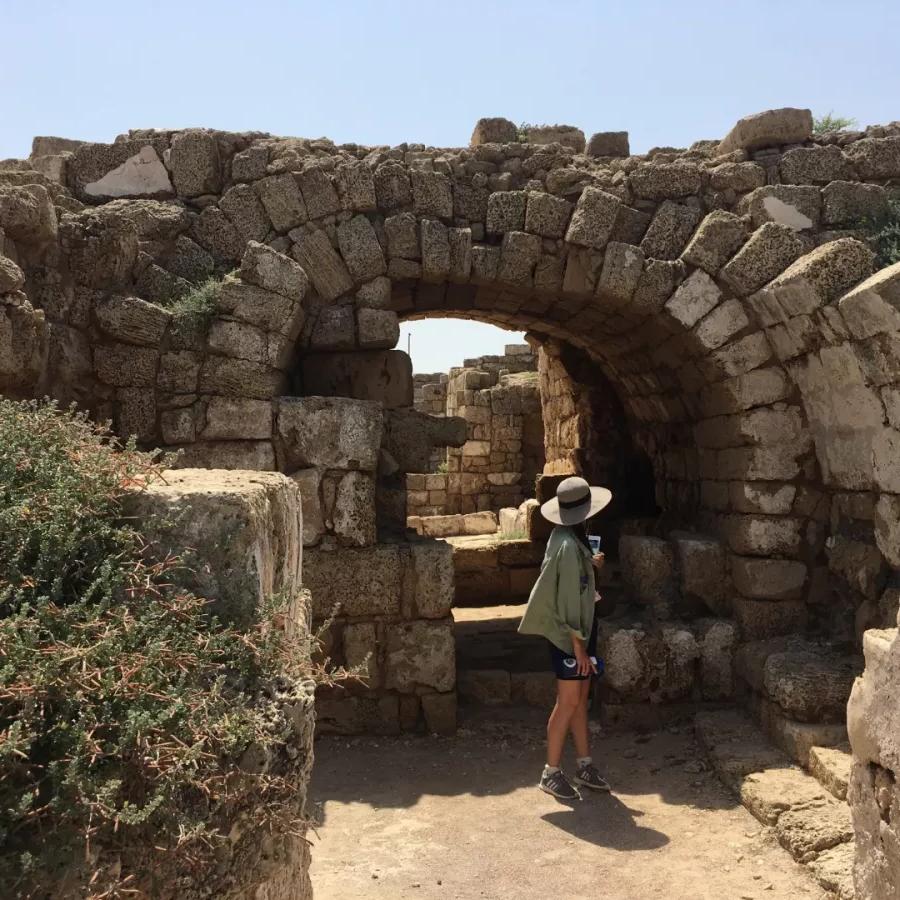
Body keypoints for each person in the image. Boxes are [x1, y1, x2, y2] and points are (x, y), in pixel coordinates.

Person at [518, 476, 612, 801]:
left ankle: (584, 765)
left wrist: (591, 563)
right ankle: (551, 772)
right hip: (572, 637)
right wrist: (579, 648)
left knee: (580, 699)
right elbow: (569, 601)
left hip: (581, 631)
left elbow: (575, 583)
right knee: (568, 702)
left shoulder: (566, 536)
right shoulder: (571, 547)